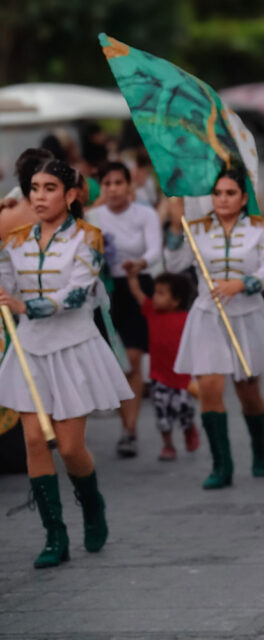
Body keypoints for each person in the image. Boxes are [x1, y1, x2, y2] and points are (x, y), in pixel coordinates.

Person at [0, 157, 133, 568]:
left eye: (49, 189)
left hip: (74, 346)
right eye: (34, 189)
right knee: (35, 442)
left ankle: (91, 504)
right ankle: (54, 535)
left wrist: (26, 304)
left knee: (72, 447)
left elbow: (77, 294)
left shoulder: (90, 238)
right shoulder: (16, 240)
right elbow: (5, 282)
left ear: (70, 195)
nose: (39, 197)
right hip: (29, 349)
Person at [164, 166, 264, 490]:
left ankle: (259, 450)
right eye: (217, 193)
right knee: (209, 388)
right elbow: (174, 265)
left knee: (248, 392)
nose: (222, 199)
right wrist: (175, 228)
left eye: (230, 193)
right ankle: (222, 465)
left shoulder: (259, 232)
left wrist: (244, 284)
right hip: (208, 316)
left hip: (247, 317)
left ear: (243, 197)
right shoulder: (197, 230)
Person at [87, 161, 163, 457]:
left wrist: (140, 263)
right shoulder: (92, 217)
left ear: (129, 186)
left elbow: (155, 250)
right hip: (102, 290)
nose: (113, 189)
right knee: (114, 362)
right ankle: (124, 424)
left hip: (136, 285)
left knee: (131, 357)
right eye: (107, 183)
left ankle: (129, 430)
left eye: (119, 183)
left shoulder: (144, 214)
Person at [124, 263, 198, 461]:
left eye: (161, 293)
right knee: (163, 415)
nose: (154, 296)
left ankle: (189, 428)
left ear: (176, 300)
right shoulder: (152, 312)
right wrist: (132, 276)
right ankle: (168, 445)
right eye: (156, 292)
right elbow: (137, 293)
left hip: (182, 379)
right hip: (159, 378)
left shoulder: (187, 319)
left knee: (185, 411)